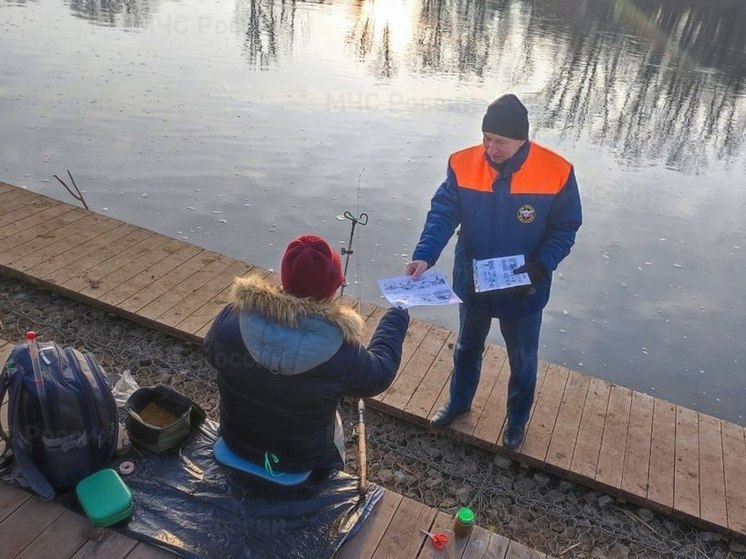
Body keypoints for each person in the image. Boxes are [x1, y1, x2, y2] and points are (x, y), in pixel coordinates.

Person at [405, 93, 582, 450]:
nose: (490, 148)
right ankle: (458, 403)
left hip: (524, 284)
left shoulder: (557, 171)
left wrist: (540, 266)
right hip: (473, 279)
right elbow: (442, 213)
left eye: (500, 141)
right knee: (467, 347)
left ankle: (516, 422)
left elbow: (566, 227)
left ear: (522, 140)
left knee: (523, 359)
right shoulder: (462, 163)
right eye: (486, 138)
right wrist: (425, 255)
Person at [204, 234, 409, 474]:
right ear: (333, 287)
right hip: (298, 463)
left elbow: (210, 351)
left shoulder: (233, 317)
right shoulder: (341, 349)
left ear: (284, 277)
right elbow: (380, 374)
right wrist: (399, 309)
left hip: (235, 443)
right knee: (336, 422)